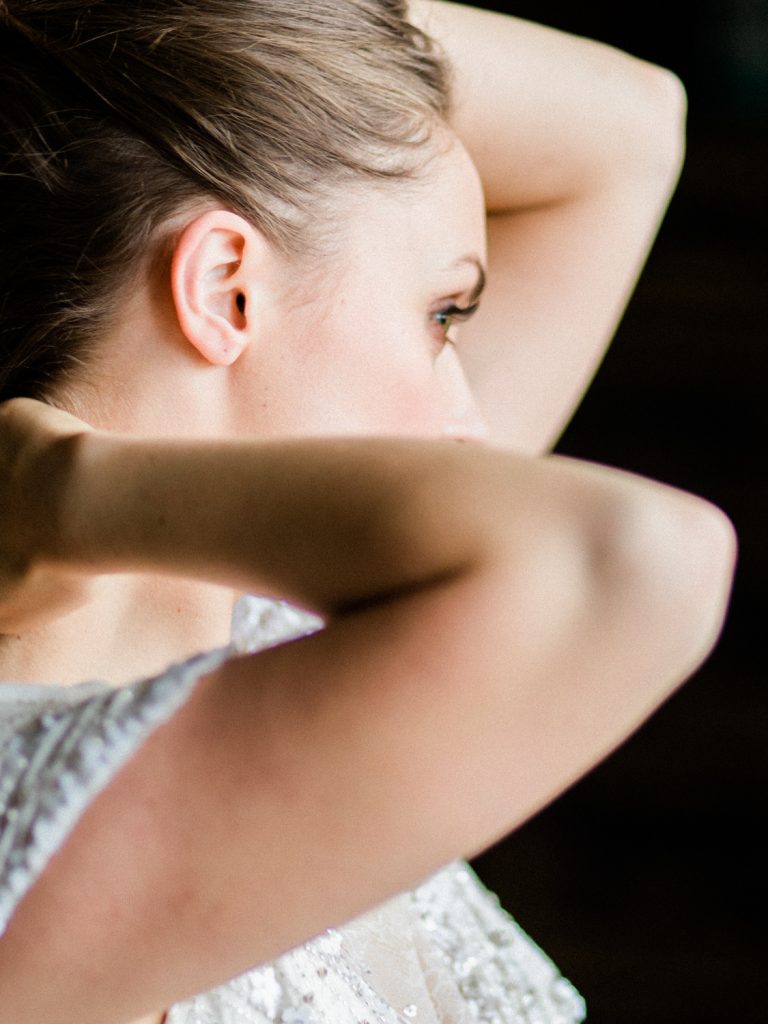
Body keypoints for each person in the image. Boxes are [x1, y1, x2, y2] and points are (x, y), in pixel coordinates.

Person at [0, 2, 736, 1023]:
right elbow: (632, 562)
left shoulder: (274, 630)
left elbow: (634, 125)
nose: (474, 427)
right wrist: (67, 494)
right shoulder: (28, 822)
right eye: (442, 315)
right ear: (227, 292)